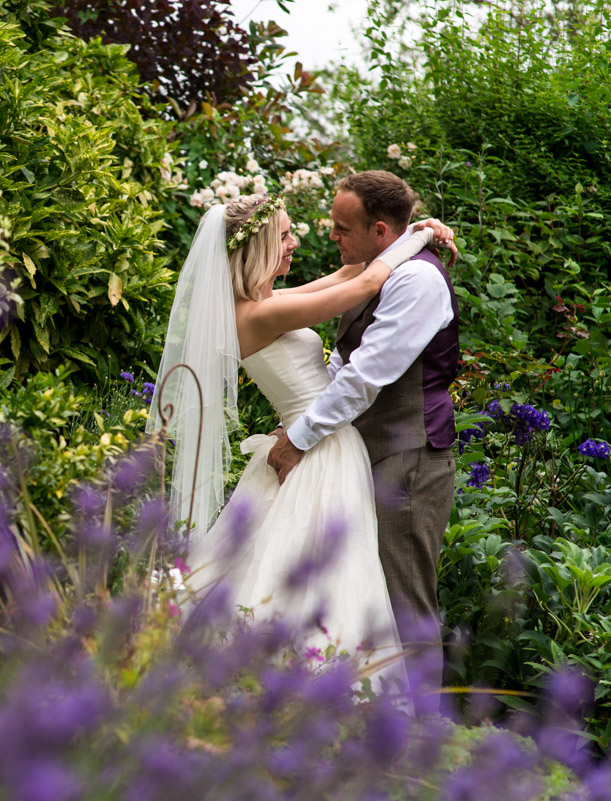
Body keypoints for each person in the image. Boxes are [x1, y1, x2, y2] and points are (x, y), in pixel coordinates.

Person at [147, 192, 453, 701]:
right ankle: (327, 695)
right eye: (285, 236)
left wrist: (408, 232)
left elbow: (346, 276)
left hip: (313, 436)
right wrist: (419, 237)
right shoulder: (259, 313)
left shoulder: (262, 305)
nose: (296, 243)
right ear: (259, 248)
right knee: (329, 572)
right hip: (321, 448)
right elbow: (370, 280)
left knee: (311, 564)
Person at [266, 171, 461, 714]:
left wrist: (299, 438)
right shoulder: (377, 267)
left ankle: (424, 734)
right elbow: (344, 359)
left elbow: (367, 375)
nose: (332, 237)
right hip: (362, 454)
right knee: (359, 591)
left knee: (404, 598)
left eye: (341, 228)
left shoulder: (416, 280)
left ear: (379, 230)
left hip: (410, 457)